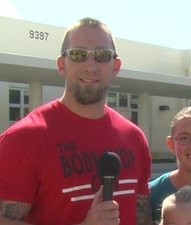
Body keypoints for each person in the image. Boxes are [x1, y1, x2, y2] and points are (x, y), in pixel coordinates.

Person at [0, 17, 152, 225]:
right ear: (62, 64)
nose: (90, 66)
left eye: (102, 55)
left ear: (115, 66)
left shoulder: (134, 137)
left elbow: (141, 216)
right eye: (78, 55)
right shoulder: (24, 139)